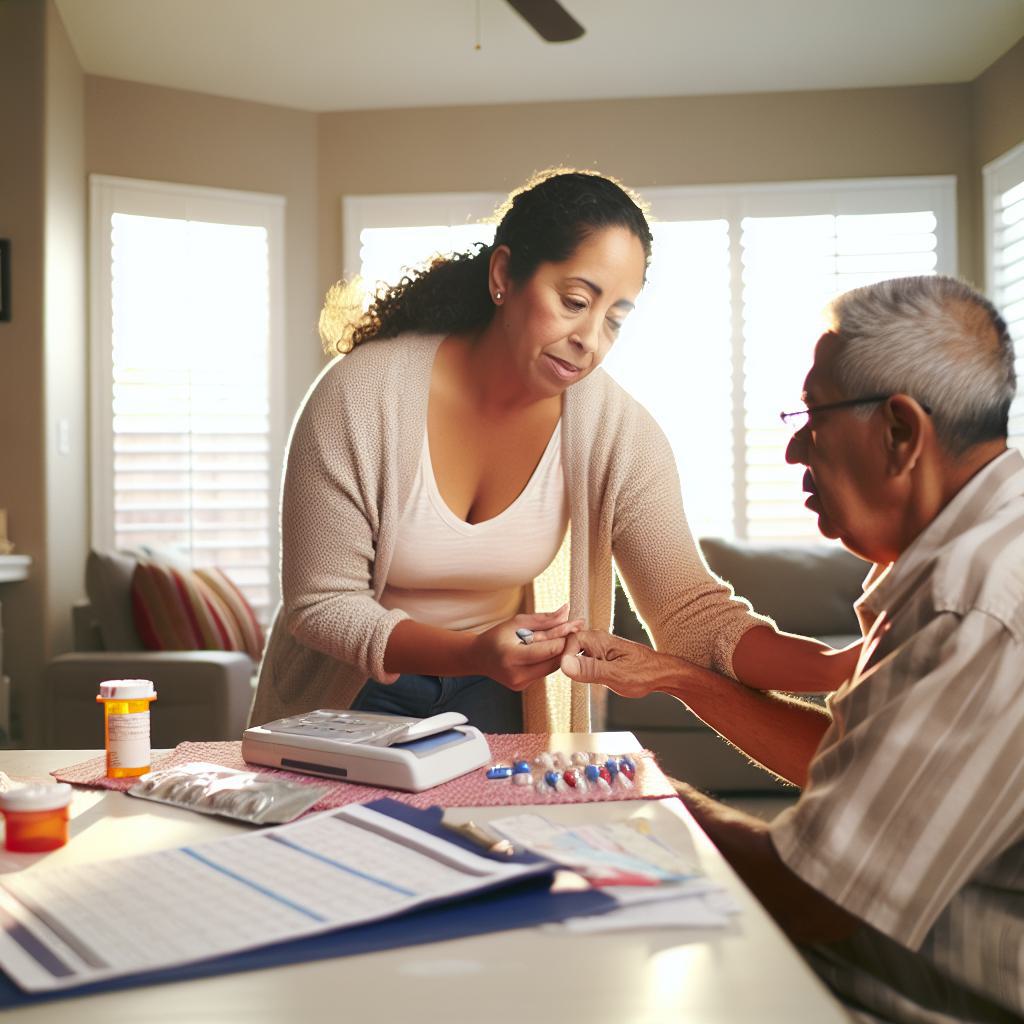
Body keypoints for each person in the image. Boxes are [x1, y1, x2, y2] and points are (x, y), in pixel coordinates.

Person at [562, 274, 1024, 1024]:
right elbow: (862, 764)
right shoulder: (970, 542)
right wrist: (682, 678)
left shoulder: (974, 599)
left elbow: (811, 895)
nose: (793, 447)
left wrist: (633, 796)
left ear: (901, 432)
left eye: (814, 416)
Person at [250, 168, 852, 735]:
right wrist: (471, 651)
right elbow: (322, 605)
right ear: (504, 276)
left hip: (496, 692)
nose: (589, 340)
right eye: (574, 300)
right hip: (350, 688)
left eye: (615, 318)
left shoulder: (617, 432)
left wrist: (835, 669)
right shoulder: (361, 394)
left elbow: (692, 615)